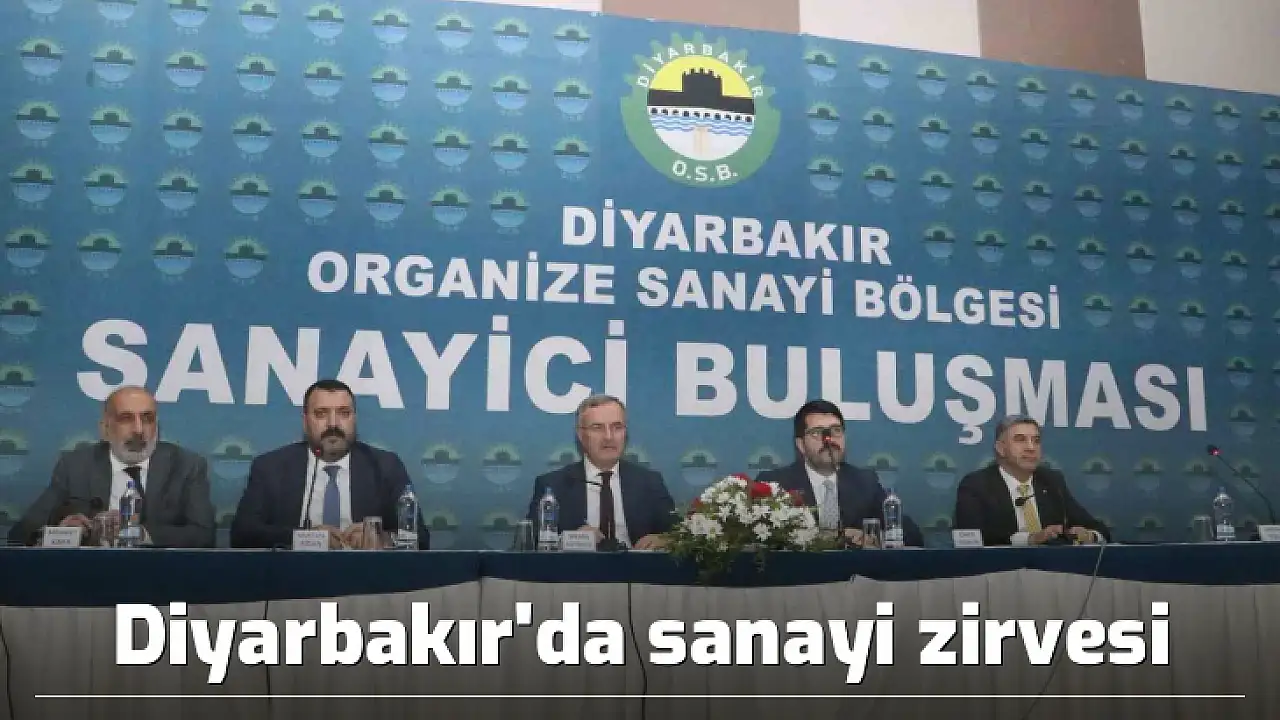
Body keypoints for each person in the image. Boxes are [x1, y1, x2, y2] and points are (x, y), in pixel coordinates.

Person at [230, 379, 428, 549]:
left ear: (354, 419)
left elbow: (420, 538)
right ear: (305, 421)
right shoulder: (271, 467)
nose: (333, 424)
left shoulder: (386, 466)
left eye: (344, 413)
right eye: (321, 414)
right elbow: (242, 534)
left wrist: (380, 538)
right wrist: (305, 538)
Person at [8, 385, 215, 548]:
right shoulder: (75, 466)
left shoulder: (187, 466)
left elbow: (204, 535)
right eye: (126, 418)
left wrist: (140, 534)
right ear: (105, 429)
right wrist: (61, 532)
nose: (138, 429)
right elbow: (21, 533)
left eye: (147, 418)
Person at [756, 399, 924, 548]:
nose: (828, 440)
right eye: (817, 432)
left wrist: (871, 536)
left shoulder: (864, 482)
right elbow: (758, 538)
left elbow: (911, 535)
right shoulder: (776, 484)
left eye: (836, 430)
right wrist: (830, 537)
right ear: (801, 445)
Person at [526, 394, 675, 550]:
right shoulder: (553, 485)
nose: (609, 437)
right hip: (577, 565)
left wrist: (664, 539)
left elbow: (678, 534)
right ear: (581, 435)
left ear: (625, 432)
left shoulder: (650, 482)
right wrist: (569, 540)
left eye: (617, 427)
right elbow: (532, 540)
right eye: (597, 428)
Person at [954, 414, 1109, 546]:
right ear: (1001, 449)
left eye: (1036, 440)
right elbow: (970, 540)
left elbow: (1099, 529)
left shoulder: (1052, 481)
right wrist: (1030, 539)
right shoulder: (976, 485)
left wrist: (1090, 536)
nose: (1031, 447)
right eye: (1020, 440)